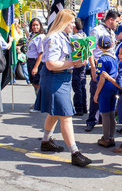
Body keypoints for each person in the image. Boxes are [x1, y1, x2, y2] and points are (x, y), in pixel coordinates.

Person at [34, 9, 92, 167]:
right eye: (71, 22)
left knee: (54, 113)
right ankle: (75, 153)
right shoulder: (53, 38)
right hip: (54, 78)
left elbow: (66, 59)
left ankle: (46, 141)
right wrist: (73, 63)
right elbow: (51, 64)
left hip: (63, 78)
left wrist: (81, 61)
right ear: (63, 21)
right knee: (66, 115)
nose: (74, 25)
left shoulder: (66, 37)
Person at [85, 10, 120, 132]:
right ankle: (91, 120)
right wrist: (93, 68)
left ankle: (102, 117)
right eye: (116, 21)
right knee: (96, 92)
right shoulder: (96, 30)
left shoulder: (111, 32)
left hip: (110, 64)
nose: (117, 24)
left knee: (108, 92)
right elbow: (89, 50)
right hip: (99, 64)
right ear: (110, 20)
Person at [93, 35, 118, 148]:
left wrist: (96, 93)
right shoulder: (114, 57)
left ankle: (106, 138)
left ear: (98, 46)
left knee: (105, 114)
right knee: (112, 112)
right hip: (113, 86)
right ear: (112, 45)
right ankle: (112, 136)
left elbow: (102, 78)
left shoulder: (102, 59)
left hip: (105, 88)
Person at [24, 18, 45, 112]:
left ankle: (39, 105)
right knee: (33, 83)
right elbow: (30, 40)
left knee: (37, 84)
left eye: (37, 25)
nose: (35, 27)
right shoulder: (33, 35)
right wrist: (24, 28)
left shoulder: (40, 36)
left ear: (40, 25)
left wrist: (36, 67)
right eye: (33, 25)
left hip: (36, 62)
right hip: (29, 61)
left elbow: (41, 53)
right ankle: (38, 102)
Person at [71, 18, 87, 116]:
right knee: (82, 86)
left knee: (77, 87)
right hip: (84, 62)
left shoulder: (74, 37)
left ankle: (79, 108)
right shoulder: (84, 35)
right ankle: (84, 107)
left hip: (77, 63)